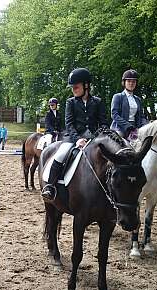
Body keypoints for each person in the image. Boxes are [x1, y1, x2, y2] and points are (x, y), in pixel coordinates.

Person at [41, 68, 108, 200]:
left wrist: (98, 137)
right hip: (74, 138)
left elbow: (104, 123)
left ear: (86, 86)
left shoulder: (98, 102)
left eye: (76, 87)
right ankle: (50, 186)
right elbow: (69, 124)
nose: (74, 90)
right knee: (60, 154)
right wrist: (78, 139)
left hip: (95, 139)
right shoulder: (70, 102)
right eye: (72, 87)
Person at [110, 69, 148, 141]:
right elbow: (114, 115)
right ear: (124, 82)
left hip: (134, 129)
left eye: (133, 82)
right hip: (119, 128)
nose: (131, 83)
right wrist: (128, 126)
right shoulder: (118, 97)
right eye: (129, 81)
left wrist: (147, 125)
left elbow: (141, 116)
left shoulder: (138, 99)